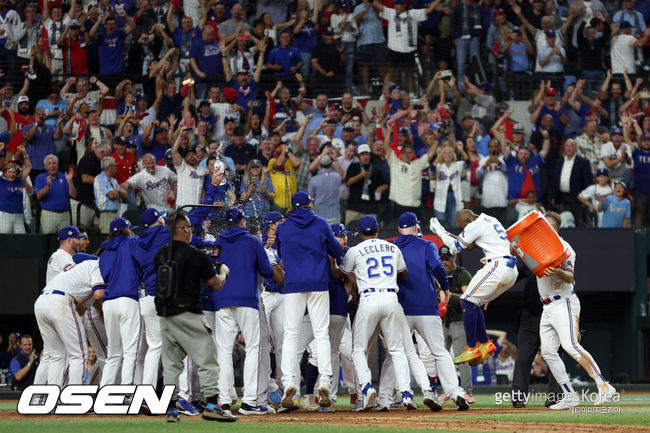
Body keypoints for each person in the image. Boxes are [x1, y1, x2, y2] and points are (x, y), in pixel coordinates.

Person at [153, 211, 235, 423]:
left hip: (165, 316)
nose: (190, 230)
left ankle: (171, 409)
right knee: (208, 360)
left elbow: (177, 278)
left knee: (171, 365)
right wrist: (223, 272)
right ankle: (211, 405)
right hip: (189, 313)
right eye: (187, 226)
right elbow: (215, 284)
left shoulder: (161, 254)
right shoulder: (196, 255)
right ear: (182, 229)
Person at [535, 211, 616, 410]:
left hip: (564, 302)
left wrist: (557, 271)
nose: (542, 228)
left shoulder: (565, 248)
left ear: (553, 228)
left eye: (546, 225)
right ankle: (570, 395)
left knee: (570, 345)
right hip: (546, 305)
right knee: (548, 352)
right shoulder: (539, 246)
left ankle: (604, 385)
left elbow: (570, 276)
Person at [393, 212, 470, 410]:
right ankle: (454, 391)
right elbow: (437, 267)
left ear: (399, 229)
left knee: (403, 352)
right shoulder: (426, 245)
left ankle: (422, 392)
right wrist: (444, 288)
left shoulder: (393, 247)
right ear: (416, 227)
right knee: (439, 352)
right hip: (426, 306)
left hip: (402, 307)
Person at [276, 191, 342, 409]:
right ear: (308, 205)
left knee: (291, 335)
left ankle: (288, 384)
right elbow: (335, 250)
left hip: (294, 284)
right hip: (318, 285)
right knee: (322, 334)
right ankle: (324, 379)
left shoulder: (283, 226)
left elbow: (280, 253)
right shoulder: (321, 223)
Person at [339, 215, 413, 410]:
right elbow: (404, 272)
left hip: (369, 299)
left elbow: (343, 273)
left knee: (358, 350)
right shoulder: (393, 247)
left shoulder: (354, 250)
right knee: (397, 349)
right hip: (391, 298)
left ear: (361, 233)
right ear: (378, 230)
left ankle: (366, 388)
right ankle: (406, 393)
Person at [429, 210, 518, 365]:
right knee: (473, 302)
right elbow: (468, 247)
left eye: (462, 227)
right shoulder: (490, 219)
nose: (463, 230)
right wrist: (445, 232)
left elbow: (455, 248)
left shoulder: (475, 224)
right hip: (511, 269)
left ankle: (471, 347)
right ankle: (484, 343)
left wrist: (440, 232)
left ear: (468, 219)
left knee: (466, 301)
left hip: (497, 265)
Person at [213, 207, 275, 414]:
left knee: (223, 350)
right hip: (247, 298)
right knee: (254, 348)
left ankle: (224, 400)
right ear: (241, 222)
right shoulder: (252, 241)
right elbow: (267, 271)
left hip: (221, 299)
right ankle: (249, 401)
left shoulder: (218, 242)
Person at [35, 255, 104, 386]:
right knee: (79, 354)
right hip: (59, 301)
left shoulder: (79, 271)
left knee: (56, 356)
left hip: (41, 302)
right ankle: (73, 399)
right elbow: (99, 293)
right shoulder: (97, 265)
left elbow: (81, 308)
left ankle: (51, 398)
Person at [511, 260, 562, 408]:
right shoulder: (530, 261)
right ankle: (518, 397)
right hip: (530, 316)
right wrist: (490, 294)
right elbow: (509, 277)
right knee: (524, 356)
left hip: (553, 314)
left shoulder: (560, 258)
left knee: (554, 355)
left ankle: (557, 396)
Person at [96, 217, 141, 387]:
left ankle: (104, 391)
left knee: (113, 353)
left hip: (108, 303)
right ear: (127, 229)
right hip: (127, 300)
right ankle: (126, 391)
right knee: (130, 351)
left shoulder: (105, 250)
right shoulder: (132, 242)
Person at [132, 208, 169, 388]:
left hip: (145, 298)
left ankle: (147, 391)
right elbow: (190, 221)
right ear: (159, 220)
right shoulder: (164, 233)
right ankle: (183, 395)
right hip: (163, 297)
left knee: (154, 347)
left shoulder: (138, 242)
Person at [438, 245, 474, 402]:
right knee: (441, 357)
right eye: (442, 258)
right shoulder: (436, 273)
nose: (444, 261)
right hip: (442, 320)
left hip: (459, 319)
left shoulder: (462, 273)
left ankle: (466, 391)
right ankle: (448, 390)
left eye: (447, 258)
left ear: (454, 258)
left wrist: (451, 295)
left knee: (461, 357)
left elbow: (470, 296)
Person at [35, 154, 75, 234]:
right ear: (45, 166)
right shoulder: (41, 177)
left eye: (54, 163)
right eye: (49, 164)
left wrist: (70, 181)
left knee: (66, 241)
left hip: (64, 214)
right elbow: (38, 196)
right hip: (49, 214)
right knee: (47, 241)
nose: (52, 166)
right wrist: (48, 186)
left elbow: (73, 194)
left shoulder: (65, 176)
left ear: (58, 165)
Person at [94, 157, 127, 234]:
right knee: (108, 240)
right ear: (110, 167)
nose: (116, 168)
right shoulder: (100, 178)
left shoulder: (113, 180)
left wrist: (117, 190)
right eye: (115, 166)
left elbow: (125, 195)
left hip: (116, 213)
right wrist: (118, 194)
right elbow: (111, 195)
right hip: (106, 214)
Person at [0, 159, 32, 234]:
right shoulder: (1, 181)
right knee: (5, 239)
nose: (12, 174)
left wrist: (24, 153)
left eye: (14, 172)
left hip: (19, 216)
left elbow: (29, 167)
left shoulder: (19, 180)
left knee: (20, 240)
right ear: (5, 173)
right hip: (5, 215)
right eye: (9, 172)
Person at [308, 154, 342, 224]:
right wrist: (335, 159)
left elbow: (311, 202)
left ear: (319, 165)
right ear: (330, 164)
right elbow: (341, 173)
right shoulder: (337, 177)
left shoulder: (313, 180)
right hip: (335, 216)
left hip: (319, 217)